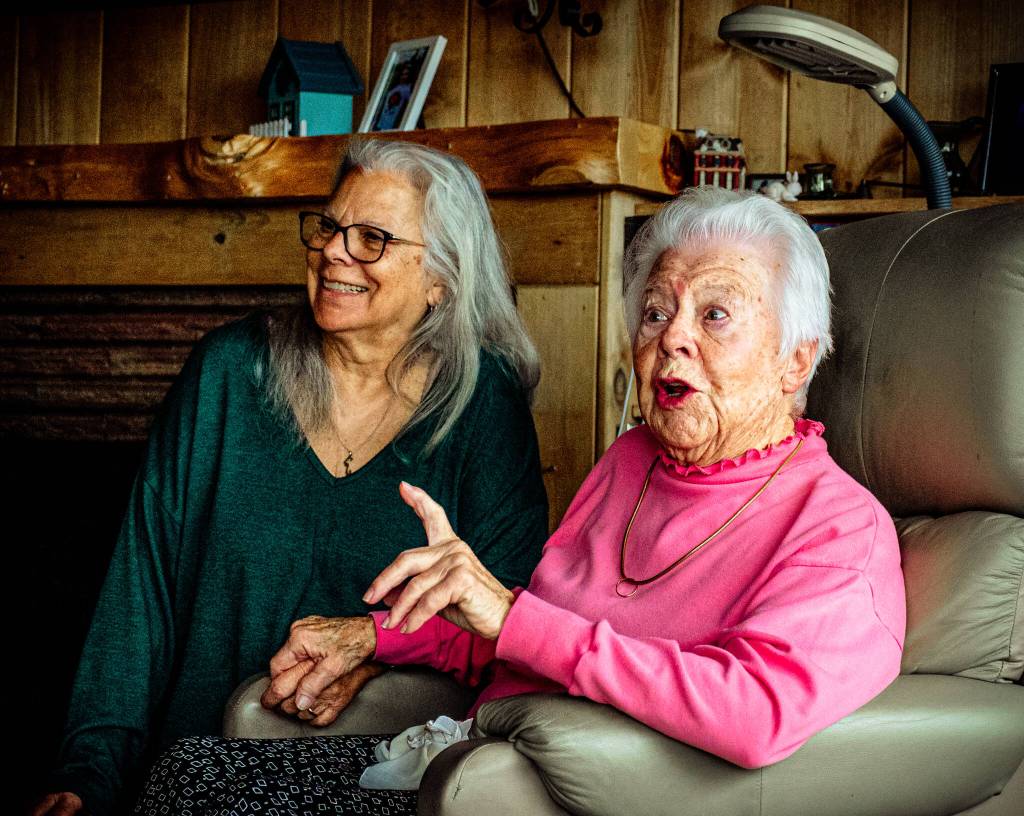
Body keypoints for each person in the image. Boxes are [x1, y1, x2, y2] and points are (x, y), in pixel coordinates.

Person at [134, 186, 906, 813]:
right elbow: (531, 636)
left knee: (196, 789)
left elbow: (753, 713)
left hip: (540, 793)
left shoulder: (840, 530)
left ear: (795, 357)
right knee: (186, 774)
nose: (671, 339)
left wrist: (512, 618)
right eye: (656, 311)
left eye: (715, 314)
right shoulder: (632, 465)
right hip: (459, 767)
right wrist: (381, 638)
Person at [36, 139, 549, 816]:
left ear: (442, 281)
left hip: (381, 776)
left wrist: (376, 652)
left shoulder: (484, 405)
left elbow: (507, 624)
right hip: (184, 778)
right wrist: (89, 775)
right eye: (330, 227)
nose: (336, 250)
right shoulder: (228, 372)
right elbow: (140, 593)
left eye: (372, 238)